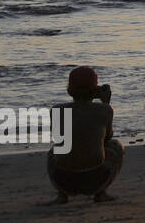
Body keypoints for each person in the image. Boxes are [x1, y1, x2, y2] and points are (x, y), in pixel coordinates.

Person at [48, 66, 124, 204]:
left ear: (70, 89)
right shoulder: (105, 110)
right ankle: (101, 193)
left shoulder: (57, 110)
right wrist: (105, 102)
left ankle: (62, 195)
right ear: (95, 90)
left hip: (63, 181)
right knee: (115, 146)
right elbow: (107, 138)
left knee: (54, 149)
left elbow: (58, 138)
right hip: (96, 180)